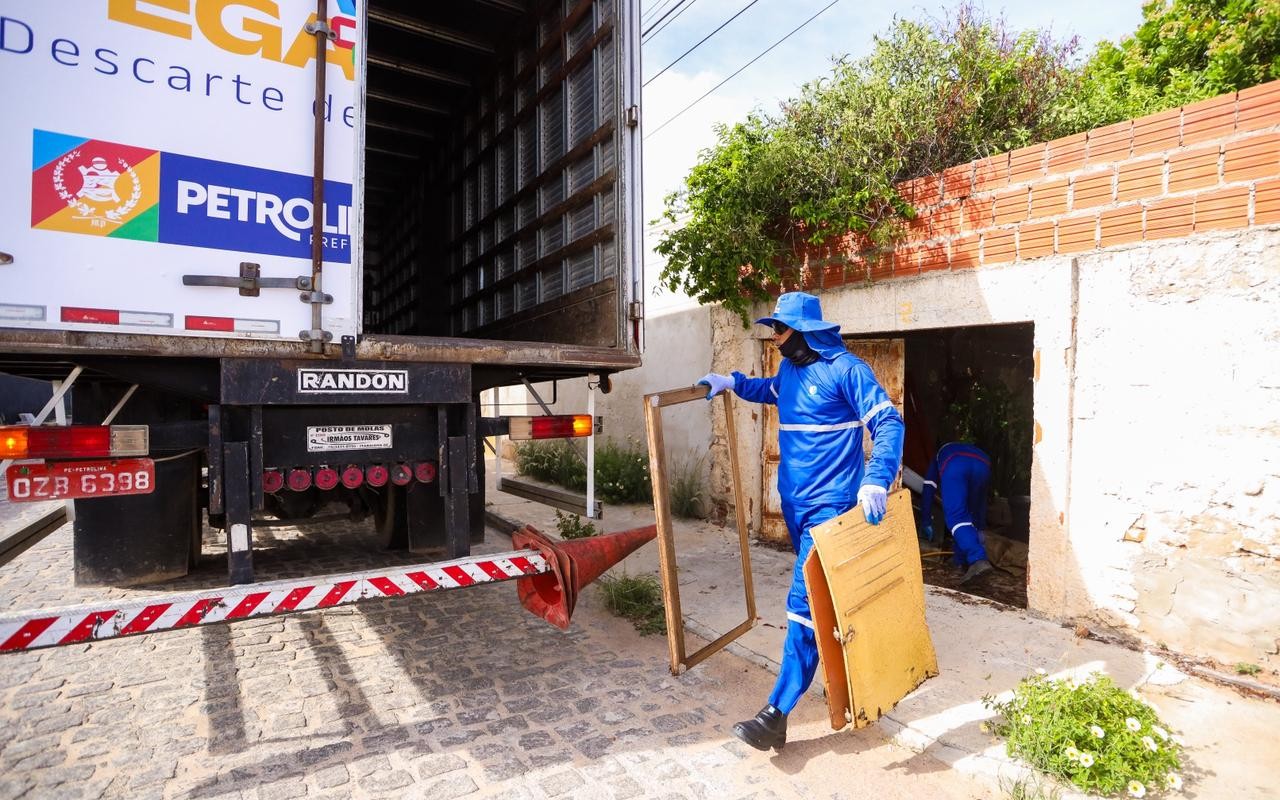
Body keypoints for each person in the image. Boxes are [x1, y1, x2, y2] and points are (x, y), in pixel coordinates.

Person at [698, 291, 903, 752]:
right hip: (796, 508)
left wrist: (876, 477)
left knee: (802, 603)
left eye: (781, 329)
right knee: (828, 599)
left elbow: (888, 423)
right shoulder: (790, 373)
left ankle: (777, 711)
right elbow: (767, 390)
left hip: (832, 511)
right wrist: (730, 381)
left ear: (805, 331)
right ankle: (851, 679)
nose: (775, 338)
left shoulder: (848, 371)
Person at [920, 442, 993, 584]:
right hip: (984, 464)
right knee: (971, 515)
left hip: (955, 463)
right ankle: (961, 561)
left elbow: (929, 488)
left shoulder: (939, 456)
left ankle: (977, 559)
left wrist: (926, 521)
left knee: (956, 517)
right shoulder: (968, 448)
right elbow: (980, 505)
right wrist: (980, 524)